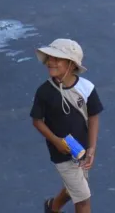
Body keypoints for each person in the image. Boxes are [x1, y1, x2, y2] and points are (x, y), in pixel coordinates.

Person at [30, 39, 103, 213]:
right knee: (83, 197)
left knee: (75, 189)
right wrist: (56, 141)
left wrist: (91, 148)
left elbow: (93, 117)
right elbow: (37, 121)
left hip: (82, 150)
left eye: (57, 59)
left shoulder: (87, 88)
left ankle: (52, 207)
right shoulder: (44, 92)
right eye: (49, 58)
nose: (50, 62)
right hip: (60, 152)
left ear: (71, 64)